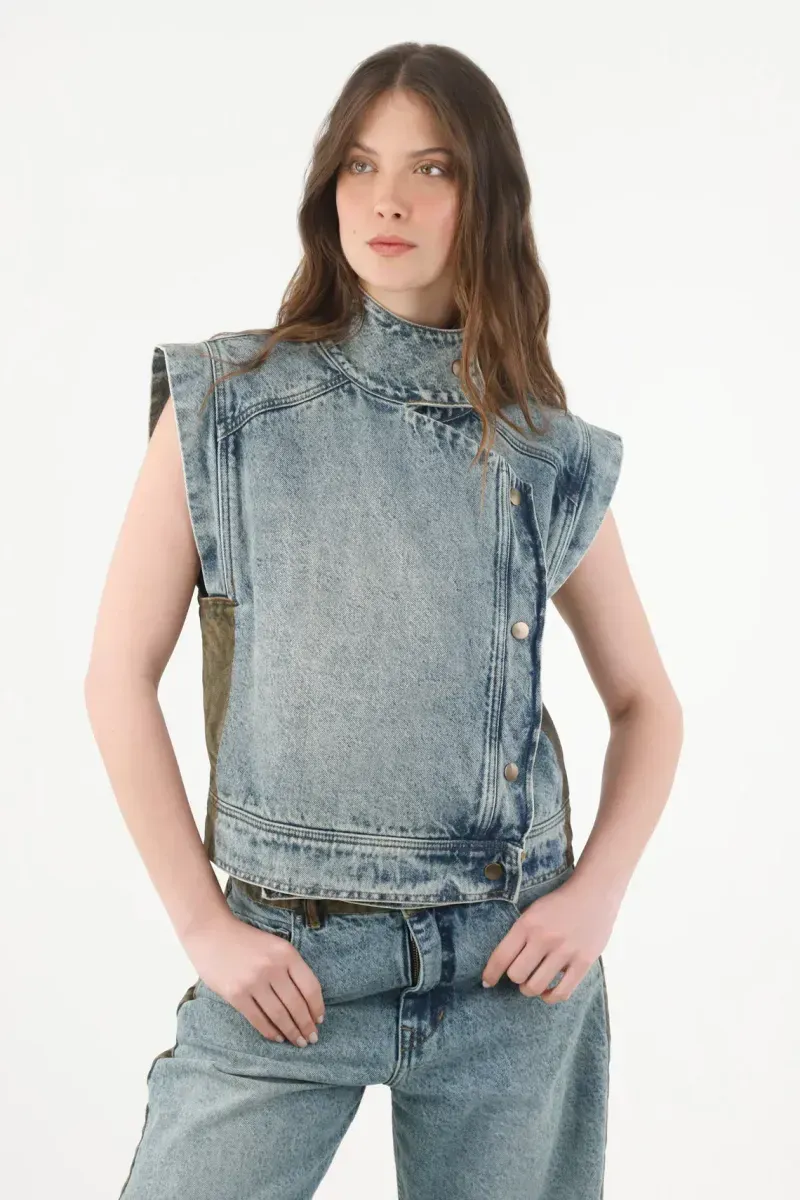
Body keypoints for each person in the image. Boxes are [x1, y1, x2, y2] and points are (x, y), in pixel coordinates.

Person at [85, 40, 683, 1200]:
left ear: (487, 196)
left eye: (430, 168)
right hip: (286, 965)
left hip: (509, 972)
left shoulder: (542, 448)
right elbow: (117, 674)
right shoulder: (228, 406)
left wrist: (594, 896)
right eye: (359, 165)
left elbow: (645, 702)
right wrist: (205, 929)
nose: (388, 200)